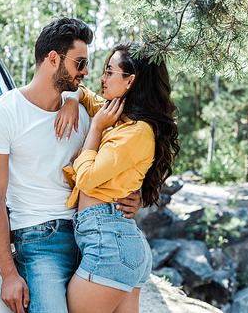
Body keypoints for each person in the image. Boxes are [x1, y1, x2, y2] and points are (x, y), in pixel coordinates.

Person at [0, 18, 142, 313]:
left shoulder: (88, 115)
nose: (86, 72)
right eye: (80, 63)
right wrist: (8, 274)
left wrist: (133, 196)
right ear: (53, 59)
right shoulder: (2, 114)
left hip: (93, 236)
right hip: (41, 243)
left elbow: (115, 165)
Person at [56, 43, 180, 313]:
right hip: (116, 240)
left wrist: (95, 129)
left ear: (130, 81)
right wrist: (72, 100)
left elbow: (86, 179)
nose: (102, 78)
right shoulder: (120, 117)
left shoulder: (135, 132)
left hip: (109, 243)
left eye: (109, 72)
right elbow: (85, 94)